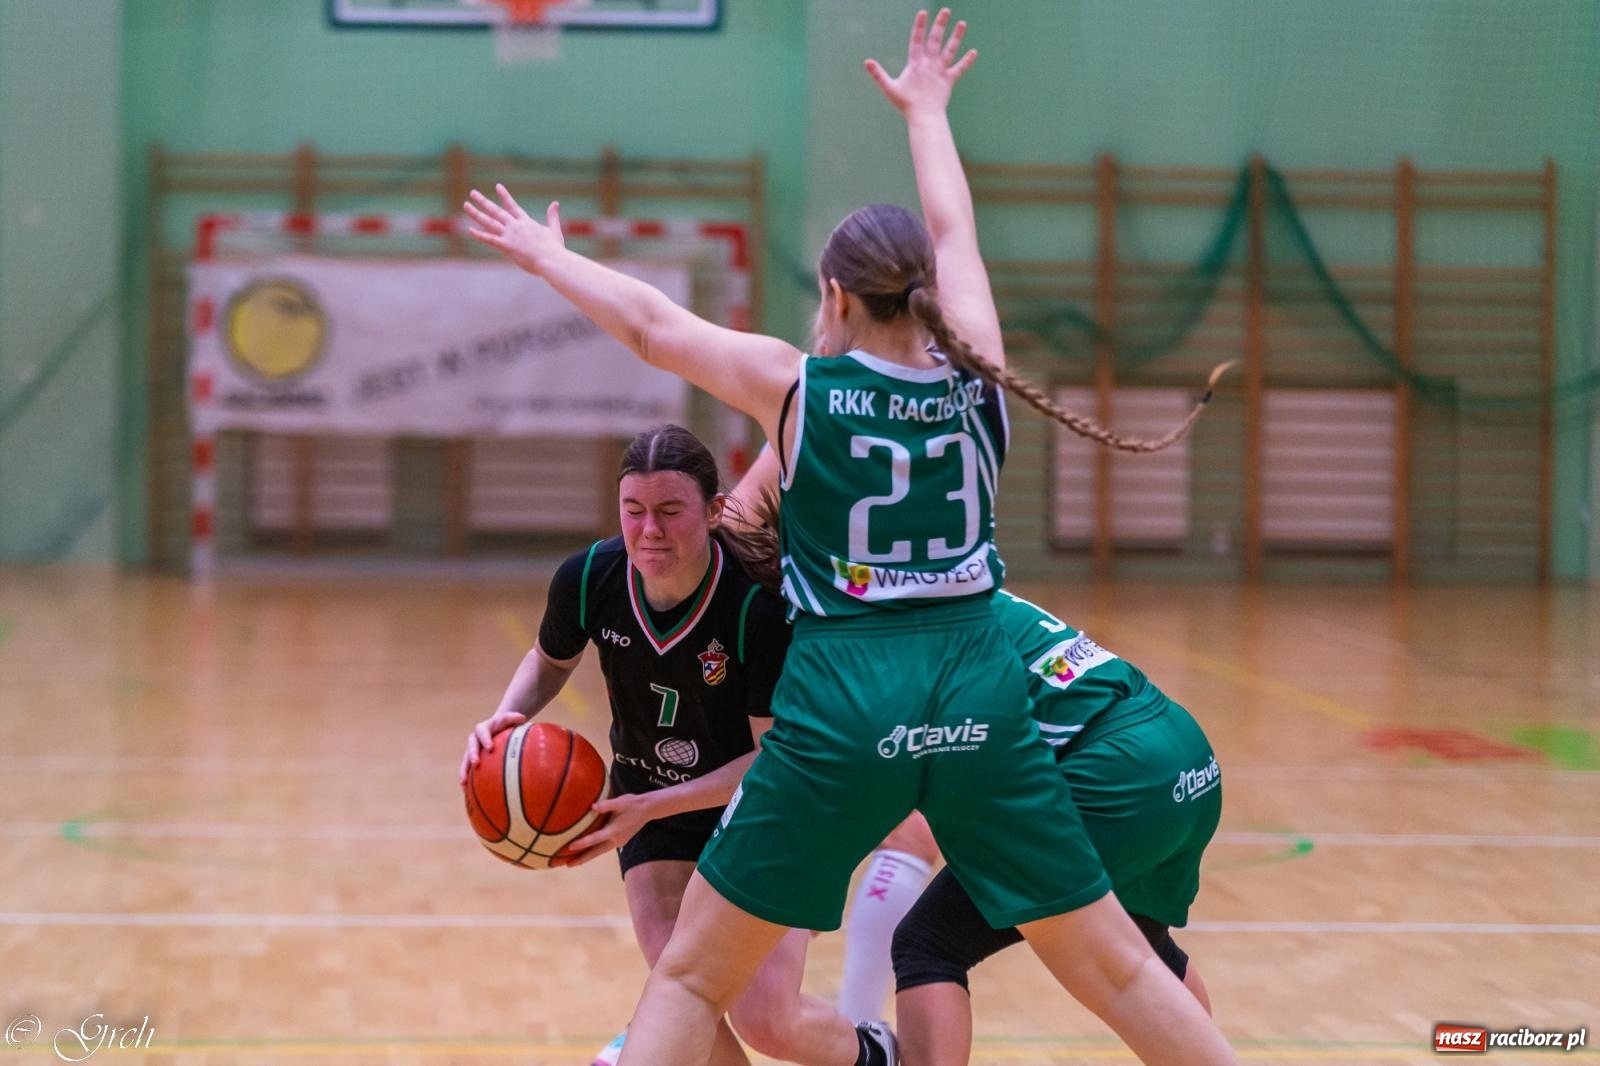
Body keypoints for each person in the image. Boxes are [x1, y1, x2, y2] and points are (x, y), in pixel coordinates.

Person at [464, 10, 1236, 1064]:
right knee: (1119, 969)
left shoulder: (801, 388)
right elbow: (956, 235)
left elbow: (651, 326)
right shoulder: (980, 375)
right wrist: (928, 113)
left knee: (692, 975)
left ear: (832, 297)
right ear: (924, 297)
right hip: (977, 690)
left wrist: (549, 256)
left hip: (844, 700)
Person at [459, 424, 891, 1066]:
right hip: (651, 800)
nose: (649, 530)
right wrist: (505, 718)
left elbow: (773, 759)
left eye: (669, 511)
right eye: (633, 510)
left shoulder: (755, 605)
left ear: (714, 511)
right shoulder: (590, 576)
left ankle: (878, 1054)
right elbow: (549, 660)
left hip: (767, 806)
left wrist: (647, 808)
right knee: (680, 993)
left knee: (766, 1021)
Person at [892, 588, 1222, 1065]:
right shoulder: (960, 585)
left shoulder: (883, 628)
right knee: (1145, 948)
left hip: (1115, 774)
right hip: (1185, 752)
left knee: (931, 945)